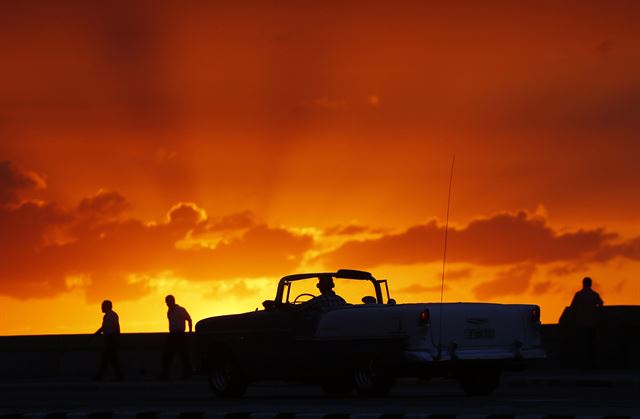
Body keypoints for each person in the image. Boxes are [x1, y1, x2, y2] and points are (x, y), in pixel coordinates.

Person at [570, 277, 604, 368]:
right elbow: (601, 304)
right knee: (592, 345)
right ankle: (592, 364)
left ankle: (582, 365)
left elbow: (572, 307)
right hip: (592, 323)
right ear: (590, 284)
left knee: (582, 345)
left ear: (583, 283)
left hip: (580, 323)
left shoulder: (578, 295)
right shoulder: (594, 294)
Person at [160, 294, 193, 379]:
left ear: (172, 301)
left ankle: (188, 373)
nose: (167, 304)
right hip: (172, 335)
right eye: (166, 302)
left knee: (184, 355)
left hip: (180, 335)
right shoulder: (169, 311)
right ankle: (165, 374)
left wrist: (189, 332)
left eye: (168, 302)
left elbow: (189, 319)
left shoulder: (181, 310)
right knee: (167, 355)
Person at [94, 299, 123, 381]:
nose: (101, 308)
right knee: (112, 359)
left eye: (102, 306)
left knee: (107, 359)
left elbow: (107, 328)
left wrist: (94, 335)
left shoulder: (109, 316)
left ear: (106, 307)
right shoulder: (112, 315)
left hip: (110, 340)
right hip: (111, 340)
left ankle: (100, 377)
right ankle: (119, 376)